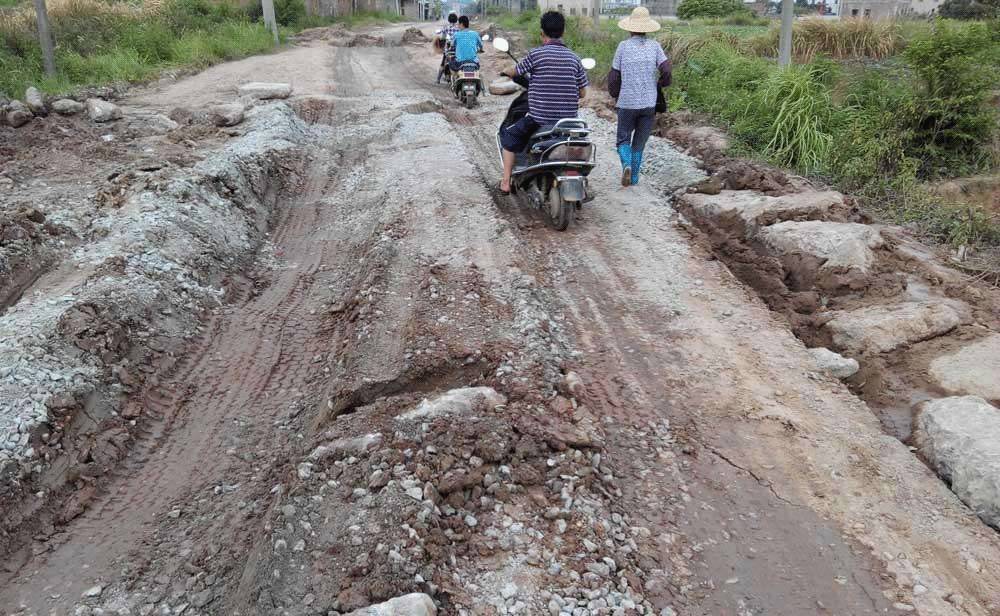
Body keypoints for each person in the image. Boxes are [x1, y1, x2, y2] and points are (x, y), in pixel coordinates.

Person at [498, 11, 589, 195]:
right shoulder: (574, 59)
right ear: (563, 32)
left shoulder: (536, 54)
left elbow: (517, 71)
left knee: (508, 138)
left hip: (539, 119)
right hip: (568, 122)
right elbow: (582, 92)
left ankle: (506, 182)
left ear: (542, 33)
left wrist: (506, 71)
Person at [607, 7, 671, 187]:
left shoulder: (623, 46)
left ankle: (626, 164)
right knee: (639, 143)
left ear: (630, 28)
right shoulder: (655, 46)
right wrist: (661, 84)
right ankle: (634, 178)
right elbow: (666, 69)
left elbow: (614, 76)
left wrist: (615, 94)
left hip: (627, 103)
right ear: (646, 28)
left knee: (623, 139)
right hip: (649, 104)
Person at [436, 13, 459, 84]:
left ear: (449, 20)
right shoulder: (459, 28)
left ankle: (438, 80)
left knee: (443, 64)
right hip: (457, 50)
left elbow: (443, 38)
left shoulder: (446, 28)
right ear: (456, 20)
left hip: (448, 50)